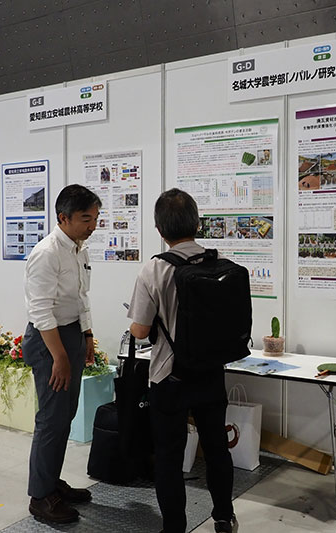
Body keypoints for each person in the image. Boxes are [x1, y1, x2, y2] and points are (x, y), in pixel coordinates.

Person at [127, 188, 237, 533]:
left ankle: (174, 527)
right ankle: (223, 518)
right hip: (211, 371)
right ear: (197, 223)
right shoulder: (219, 263)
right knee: (217, 448)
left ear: (159, 229)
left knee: (169, 456)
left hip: (169, 376)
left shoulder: (154, 269)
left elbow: (140, 331)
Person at [23, 184, 101, 524]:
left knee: (64, 416)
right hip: (49, 340)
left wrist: (87, 335)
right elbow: (40, 311)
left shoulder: (78, 248)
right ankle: (40, 497)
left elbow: (81, 297)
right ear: (63, 218)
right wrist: (59, 356)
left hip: (70, 334)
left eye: (95, 218)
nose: (92, 225)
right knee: (51, 419)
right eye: (86, 219)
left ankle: (52, 482)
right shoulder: (47, 253)